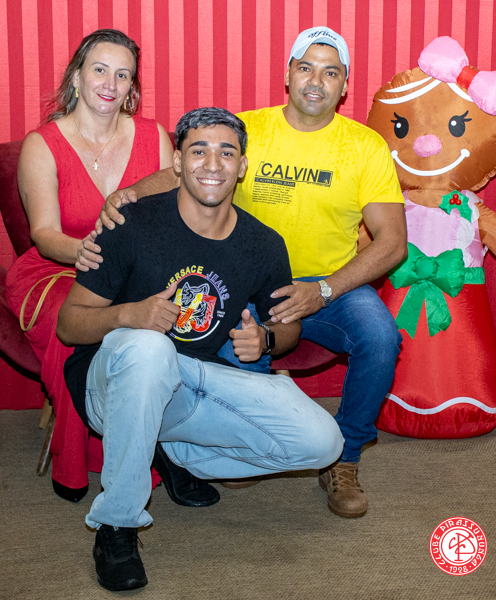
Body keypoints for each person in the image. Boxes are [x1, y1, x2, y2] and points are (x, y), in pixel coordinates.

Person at [90, 27, 407, 518]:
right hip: (246, 282)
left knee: (382, 337)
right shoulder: (248, 130)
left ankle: (344, 458)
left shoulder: (365, 146)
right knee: (241, 359)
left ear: (345, 85)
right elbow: (188, 170)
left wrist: (324, 291)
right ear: (288, 75)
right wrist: (124, 197)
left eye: (330, 72)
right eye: (306, 68)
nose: (316, 81)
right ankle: (219, 441)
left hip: (330, 285)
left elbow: (393, 243)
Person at [57, 107, 344, 592]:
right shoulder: (131, 224)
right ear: (177, 161)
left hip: (191, 381)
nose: (213, 164)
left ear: (242, 166)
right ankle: (117, 525)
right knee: (150, 349)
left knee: (323, 443)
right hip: (111, 383)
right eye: (199, 151)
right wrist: (129, 315)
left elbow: (288, 328)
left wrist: (266, 340)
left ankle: (171, 451)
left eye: (226, 152)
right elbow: (69, 325)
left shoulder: (263, 244)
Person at [4, 29, 174, 502]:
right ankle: (75, 463)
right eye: (100, 70)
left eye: (123, 75)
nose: (110, 84)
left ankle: (163, 449)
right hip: (56, 269)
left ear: (132, 87)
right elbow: (43, 234)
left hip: (130, 273)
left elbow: (168, 214)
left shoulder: (154, 137)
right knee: (75, 327)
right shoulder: (42, 144)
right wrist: (83, 253)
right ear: (77, 76)